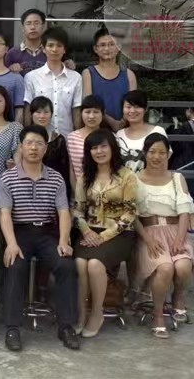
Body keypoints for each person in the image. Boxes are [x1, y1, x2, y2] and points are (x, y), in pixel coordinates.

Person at [0, 124, 79, 351]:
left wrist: (64, 240)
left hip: (47, 233)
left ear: (46, 148)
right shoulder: (7, 178)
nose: (33, 148)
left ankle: (66, 326)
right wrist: (11, 243)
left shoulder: (56, 178)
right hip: (20, 232)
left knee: (66, 265)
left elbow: (63, 212)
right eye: (29, 143)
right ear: (21, 147)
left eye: (39, 143)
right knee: (15, 264)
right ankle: (12, 328)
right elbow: (4, 213)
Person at [73, 129, 138, 338]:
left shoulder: (127, 176)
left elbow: (130, 212)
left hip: (119, 233)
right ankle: (81, 312)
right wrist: (86, 231)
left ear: (112, 148)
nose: (99, 151)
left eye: (103, 146)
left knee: (94, 264)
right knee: (80, 262)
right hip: (90, 232)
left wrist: (104, 236)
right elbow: (77, 210)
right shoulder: (85, 178)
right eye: (94, 147)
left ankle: (97, 313)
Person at [135, 133, 194, 339]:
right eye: (152, 152)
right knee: (165, 268)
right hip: (149, 233)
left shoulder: (177, 178)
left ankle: (178, 296)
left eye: (162, 152)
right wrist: (147, 239)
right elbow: (131, 216)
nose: (157, 157)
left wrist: (179, 238)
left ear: (168, 154)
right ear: (145, 153)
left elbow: (184, 212)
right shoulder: (134, 179)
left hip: (175, 230)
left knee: (183, 267)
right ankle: (158, 315)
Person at [23, 27, 82, 135]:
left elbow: (76, 110)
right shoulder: (31, 77)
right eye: (50, 45)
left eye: (59, 45)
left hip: (66, 138)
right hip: (40, 139)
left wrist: (77, 137)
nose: (54, 49)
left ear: (64, 49)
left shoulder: (76, 77)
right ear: (43, 48)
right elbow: (28, 110)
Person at [82, 28, 137, 131]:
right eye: (102, 45)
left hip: (125, 130)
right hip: (97, 131)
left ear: (119, 47)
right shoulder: (88, 73)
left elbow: (134, 104)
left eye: (112, 44)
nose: (107, 48)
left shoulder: (129, 75)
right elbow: (89, 104)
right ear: (95, 49)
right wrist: (112, 122)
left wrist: (122, 121)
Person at [5, 9, 75, 76]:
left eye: (36, 23)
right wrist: (10, 69)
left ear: (43, 26)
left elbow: (65, 67)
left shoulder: (53, 51)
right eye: (28, 23)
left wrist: (68, 64)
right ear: (23, 28)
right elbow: (4, 75)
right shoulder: (12, 53)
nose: (32, 27)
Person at [167, 107, 194, 208]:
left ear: (191, 112)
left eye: (187, 110)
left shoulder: (186, 126)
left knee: (184, 188)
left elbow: (177, 144)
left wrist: (175, 127)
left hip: (186, 160)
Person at [116, 90, 168, 173]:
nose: (132, 111)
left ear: (145, 109)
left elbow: (164, 163)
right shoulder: (119, 134)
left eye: (137, 107)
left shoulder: (158, 131)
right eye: (128, 107)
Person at [29, 96, 72, 197]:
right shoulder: (24, 137)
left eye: (46, 112)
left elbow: (64, 171)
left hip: (54, 190)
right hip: (29, 189)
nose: (42, 116)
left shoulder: (59, 139)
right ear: (31, 114)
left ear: (51, 114)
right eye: (38, 112)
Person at [67, 95, 106, 191]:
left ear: (103, 113)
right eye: (87, 112)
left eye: (96, 112)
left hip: (106, 193)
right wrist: (77, 194)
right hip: (79, 191)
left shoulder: (111, 137)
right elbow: (71, 170)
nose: (91, 116)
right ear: (81, 113)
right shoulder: (71, 138)